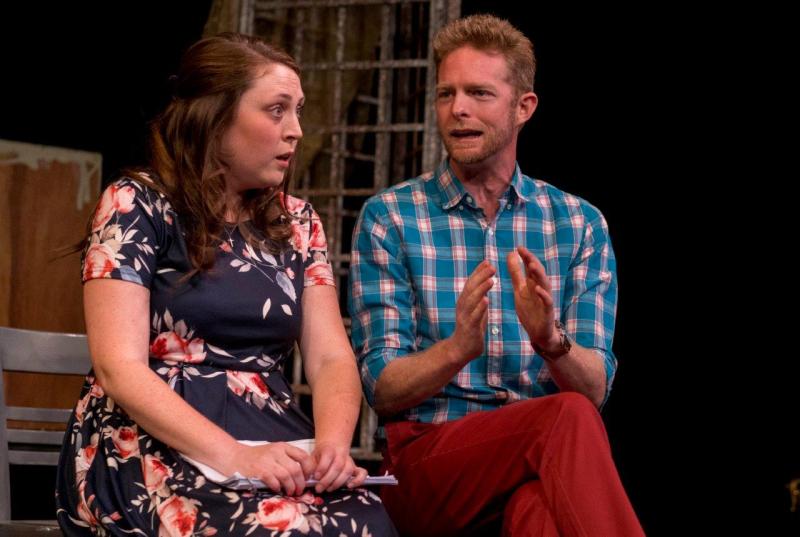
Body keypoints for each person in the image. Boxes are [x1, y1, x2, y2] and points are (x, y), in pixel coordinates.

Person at [56, 33, 397, 537]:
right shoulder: (136, 204)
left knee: (366, 521)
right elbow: (118, 367)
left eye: (298, 111)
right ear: (214, 118)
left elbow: (330, 358)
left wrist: (330, 446)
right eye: (276, 110)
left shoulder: (298, 221)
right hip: (150, 442)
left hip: (268, 431)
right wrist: (235, 456)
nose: (296, 131)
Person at [349, 14, 645, 537]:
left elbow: (596, 387)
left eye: (479, 93)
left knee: (538, 512)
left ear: (523, 107)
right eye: (446, 93)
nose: (458, 109)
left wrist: (551, 341)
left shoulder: (577, 224)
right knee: (566, 415)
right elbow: (381, 388)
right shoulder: (391, 217)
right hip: (427, 464)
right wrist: (456, 349)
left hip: (538, 458)